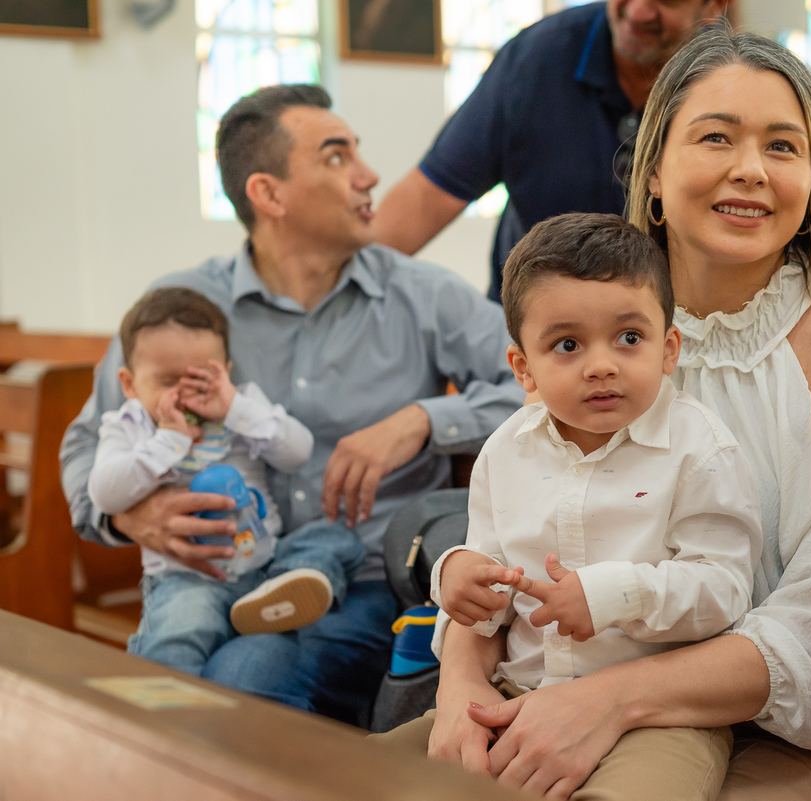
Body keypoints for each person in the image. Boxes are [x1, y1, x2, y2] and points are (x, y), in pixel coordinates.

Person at [382, 28, 811, 799]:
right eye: (717, 137)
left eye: (784, 148)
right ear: (651, 169)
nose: (750, 169)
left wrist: (608, 702)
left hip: (805, 731)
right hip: (549, 689)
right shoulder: (586, 340)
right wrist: (458, 691)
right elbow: (505, 546)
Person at [60, 84, 525, 724]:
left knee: (238, 684)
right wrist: (129, 518)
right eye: (337, 157)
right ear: (268, 194)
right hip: (212, 575)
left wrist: (422, 420)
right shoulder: (179, 309)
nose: (369, 176)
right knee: (175, 679)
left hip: (363, 580)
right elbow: (89, 439)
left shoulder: (420, 294)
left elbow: (542, 385)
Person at [380, 212, 764, 800]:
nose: (602, 363)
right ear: (523, 369)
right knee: (356, 773)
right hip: (516, 695)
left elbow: (725, 589)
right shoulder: (505, 451)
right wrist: (457, 575)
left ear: (669, 348)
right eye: (567, 344)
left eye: (629, 338)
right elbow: (491, 591)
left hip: (658, 719)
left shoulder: (701, 451)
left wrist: (611, 595)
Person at [371, 0, 729, 302]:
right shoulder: (536, 59)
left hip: (672, 329)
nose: (637, 11)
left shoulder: (728, 81)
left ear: (712, 7)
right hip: (534, 326)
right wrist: (342, 282)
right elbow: (429, 195)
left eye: (666, 0)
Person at [88, 287, 366, 673]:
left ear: (225, 371)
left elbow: (299, 450)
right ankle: (160, 721)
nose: (186, 395)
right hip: (188, 575)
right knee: (179, 631)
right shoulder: (129, 425)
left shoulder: (242, 405)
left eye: (201, 379)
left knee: (338, 538)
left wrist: (234, 407)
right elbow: (104, 494)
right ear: (130, 384)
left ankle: (281, 593)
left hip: (268, 561)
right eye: (168, 381)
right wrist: (169, 440)